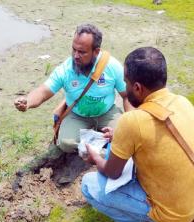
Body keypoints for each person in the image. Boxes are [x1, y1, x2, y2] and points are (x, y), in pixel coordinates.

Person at [81, 47, 194, 222]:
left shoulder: (133, 120)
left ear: (138, 88)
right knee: (115, 153)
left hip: (173, 215)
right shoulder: (182, 101)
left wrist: (94, 158)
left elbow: (112, 172)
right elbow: (156, 135)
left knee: (88, 185)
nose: (124, 88)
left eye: (126, 82)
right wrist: (120, 136)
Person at [14, 23, 131, 153]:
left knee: (126, 137)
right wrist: (27, 102)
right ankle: (99, 150)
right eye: (74, 49)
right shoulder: (66, 69)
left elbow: (127, 96)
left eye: (82, 52)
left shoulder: (112, 66)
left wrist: (129, 122)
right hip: (77, 115)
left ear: (96, 51)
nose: (75, 56)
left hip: (107, 113)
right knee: (66, 143)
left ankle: (96, 146)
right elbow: (43, 91)